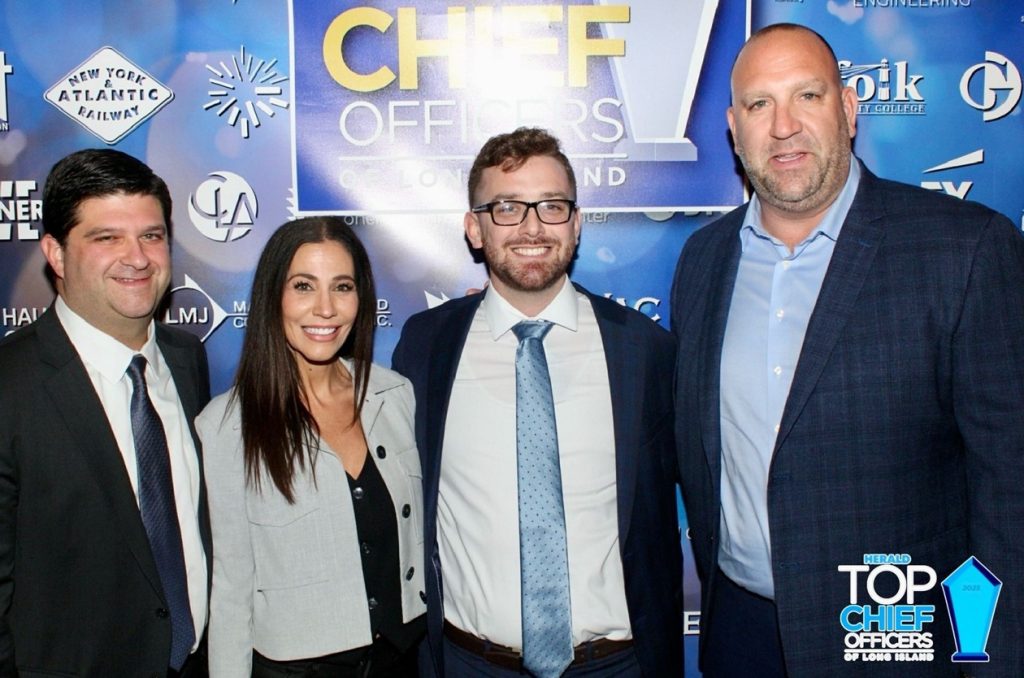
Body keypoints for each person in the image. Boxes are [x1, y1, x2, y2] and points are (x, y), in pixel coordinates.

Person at [671, 22, 1024, 677]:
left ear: (849, 109)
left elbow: (1010, 495)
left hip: (895, 639)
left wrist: (990, 661)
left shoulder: (965, 250)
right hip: (739, 636)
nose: (783, 126)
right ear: (732, 127)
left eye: (807, 96)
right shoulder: (702, 261)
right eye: (758, 104)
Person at [392, 127, 681, 677]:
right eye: (506, 207)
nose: (531, 227)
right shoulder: (426, 345)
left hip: (616, 665)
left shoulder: (644, 350)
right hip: (469, 663)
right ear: (474, 229)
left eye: (551, 206)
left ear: (575, 224)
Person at [0, 149, 211, 676]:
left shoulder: (188, 361)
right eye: (106, 238)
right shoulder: (10, 385)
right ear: (55, 253)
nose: (137, 257)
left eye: (152, 235)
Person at [198, 217, 426, 677]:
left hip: (401, 660)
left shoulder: (394, 395)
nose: (325, 308)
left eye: (342, 287)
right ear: (272, 298)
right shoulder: (227, 426)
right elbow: (231, 587)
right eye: (303, 286)